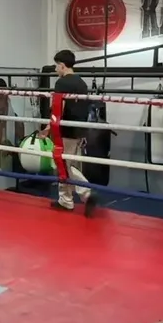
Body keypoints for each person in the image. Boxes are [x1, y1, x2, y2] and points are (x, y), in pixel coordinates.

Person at [40, 50, 98, 215]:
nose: (55, 69)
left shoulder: (62, 83)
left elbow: (59, 108)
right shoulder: (82, 83)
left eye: (56, 66)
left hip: (66, 129)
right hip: (79, 129)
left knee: (65, 164)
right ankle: (65, 200)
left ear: (62, 65)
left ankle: (87, 193)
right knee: (67, 163)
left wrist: (48, 128)